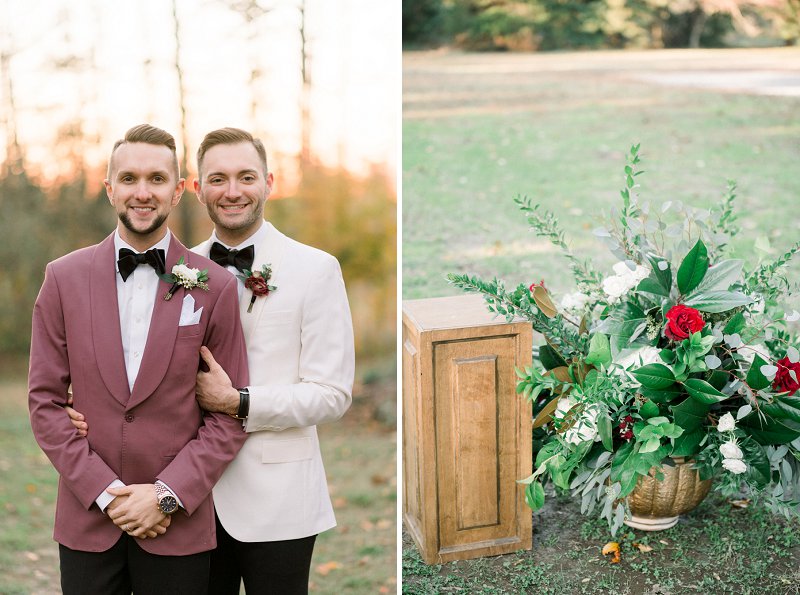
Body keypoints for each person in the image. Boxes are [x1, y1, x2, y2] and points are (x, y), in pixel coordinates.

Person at [67, 127, 355, 594]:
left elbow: (333, 394)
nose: (233, 191)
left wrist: (238, 401)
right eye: (218, 179)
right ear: (197, 189)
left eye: (246, 177)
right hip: (185, 502)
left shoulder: (315, 269)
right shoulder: (176, 267)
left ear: (269, 182)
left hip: (277, 500)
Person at [29, 124, 249, 595]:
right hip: (87, 519)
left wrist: (166, 496)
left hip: (177, 525)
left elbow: (228, 417)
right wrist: (107, 494)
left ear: (177, 192)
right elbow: (45, 403)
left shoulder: (216, 286)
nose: (142, 192)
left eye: (156, 179)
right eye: (128, 179)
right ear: (110, 189)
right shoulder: (62, 279)